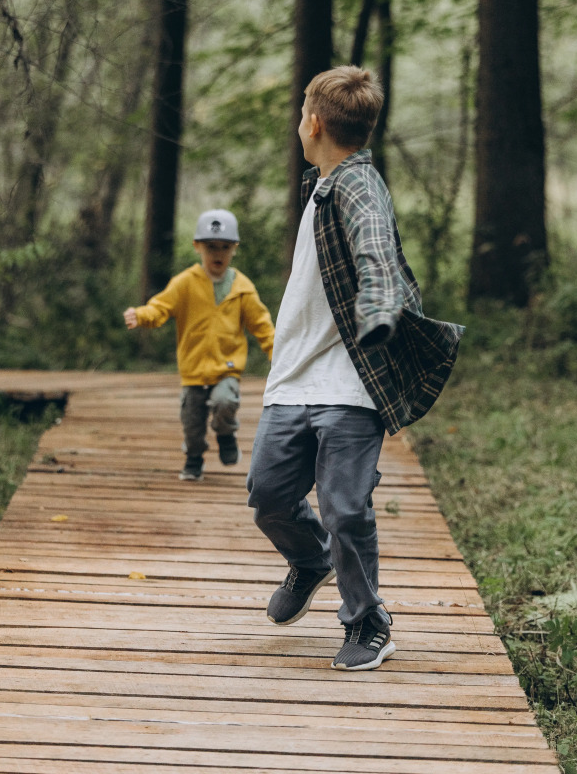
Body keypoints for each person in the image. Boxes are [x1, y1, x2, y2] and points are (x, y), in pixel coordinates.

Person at [247, 66, 463, 671]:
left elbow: (375, 248)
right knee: (268, 495)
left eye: (301, 113)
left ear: (314, 123)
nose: (299, 123)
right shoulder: (320, 185)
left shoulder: (359, 183)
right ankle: (311, 559)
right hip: (295, 376)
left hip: (351, 380)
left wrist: (379, 307)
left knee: (344, 506)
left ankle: (369, 621)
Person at [124, 209, 275, 482]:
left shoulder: (242, 288)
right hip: (193, 368)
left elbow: (262, 325)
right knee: (192, 422)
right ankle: (194, 458)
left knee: (225, 401)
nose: (218, 254)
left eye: (225, 247)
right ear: (197, 247)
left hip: (226, 366)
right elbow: (160, 307)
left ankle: (226, 434)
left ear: (234, 248)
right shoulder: (185, 283)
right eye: (211, 247)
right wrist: (141, 315)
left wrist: (277, 354)